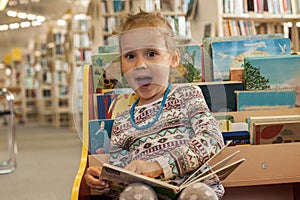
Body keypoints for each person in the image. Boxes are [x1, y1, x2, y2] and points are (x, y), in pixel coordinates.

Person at [84, 9, 225, 200]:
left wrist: (160, 165)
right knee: (134, 194)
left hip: (193, 188)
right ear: (121, 66)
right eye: (130, 56)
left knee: (198, 194)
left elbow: (212, 139)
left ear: (173, 59)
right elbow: (122, 176)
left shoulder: (188, 95)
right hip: (148, 195)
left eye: (151, 53)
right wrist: (104, 181)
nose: (140, 64)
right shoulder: (123, 120)